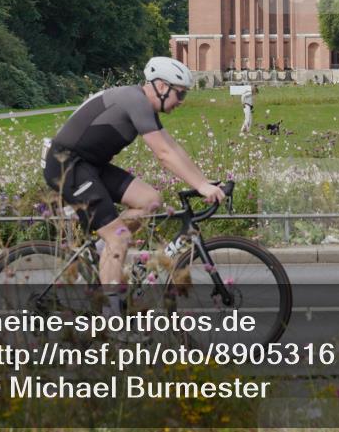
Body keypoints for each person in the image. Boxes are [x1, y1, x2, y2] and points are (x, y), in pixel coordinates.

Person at [42, 57, 225, 307]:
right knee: (118, 238)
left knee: (150, 201)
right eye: (180, 94)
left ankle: (102, 249)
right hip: (66, 165)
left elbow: (173, 147)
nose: (181, 101)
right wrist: (202, 187)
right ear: (162, 86)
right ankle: (110, 316)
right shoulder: (135, 100)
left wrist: (204, 182)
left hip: (90, 166)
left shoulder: (143, 104)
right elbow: (164, 154)